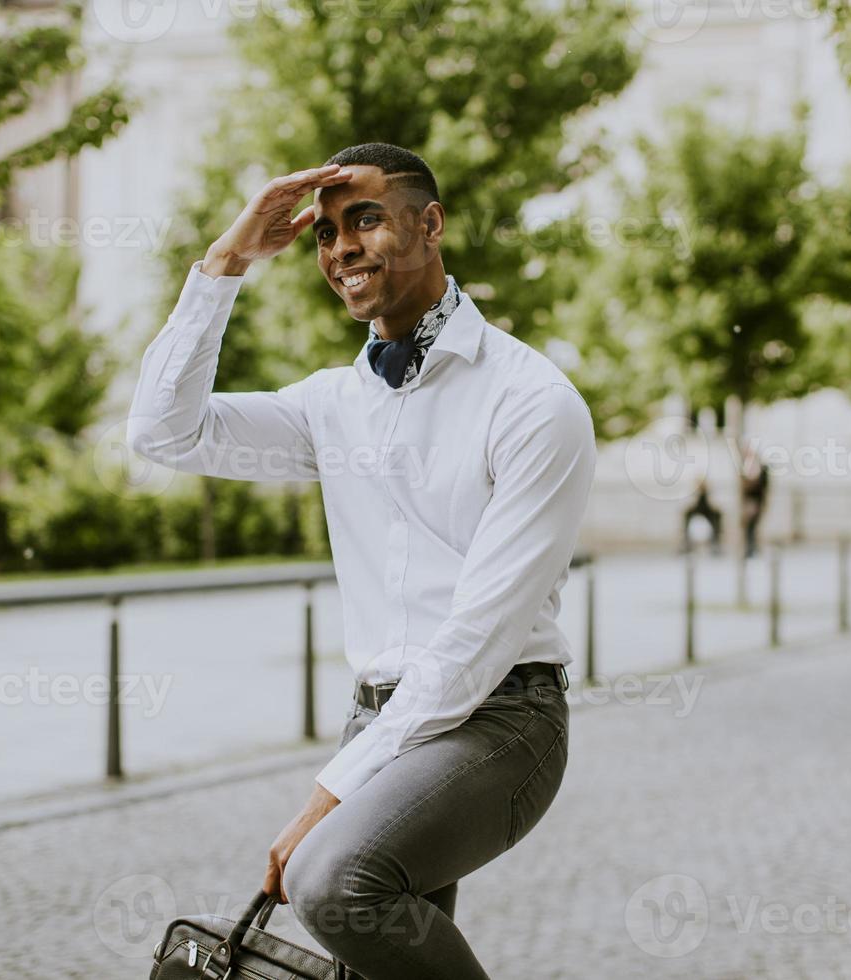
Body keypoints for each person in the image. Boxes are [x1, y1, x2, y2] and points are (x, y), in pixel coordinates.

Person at [126, 143, 595, 979]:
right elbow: (165, 431)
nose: (341, 246)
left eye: (367, 219)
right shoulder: (332, 405)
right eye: (326, 231)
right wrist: (227, 261)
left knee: (334, 882)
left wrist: (331, 793)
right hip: (380, 717)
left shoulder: (532, 402)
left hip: (502, 719)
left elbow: (480, 638)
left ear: (431, 222)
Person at [739, 443, 769, 559]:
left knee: (752, 526)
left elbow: (760, 488)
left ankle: (752, 548)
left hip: (755, 501)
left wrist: (755, 504)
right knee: (748, 526)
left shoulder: (759, 468)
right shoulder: (745, 467)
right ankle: (751, 548)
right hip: (750, 501)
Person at [681, 478, 723, 554]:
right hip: (698, 510)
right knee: (687, 514)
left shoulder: (708, 492)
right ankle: (686, 541)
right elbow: (694, 504)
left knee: (717, 515)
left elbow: (710, 504)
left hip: (707, 510)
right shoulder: (695, 492)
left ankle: (716, 540)